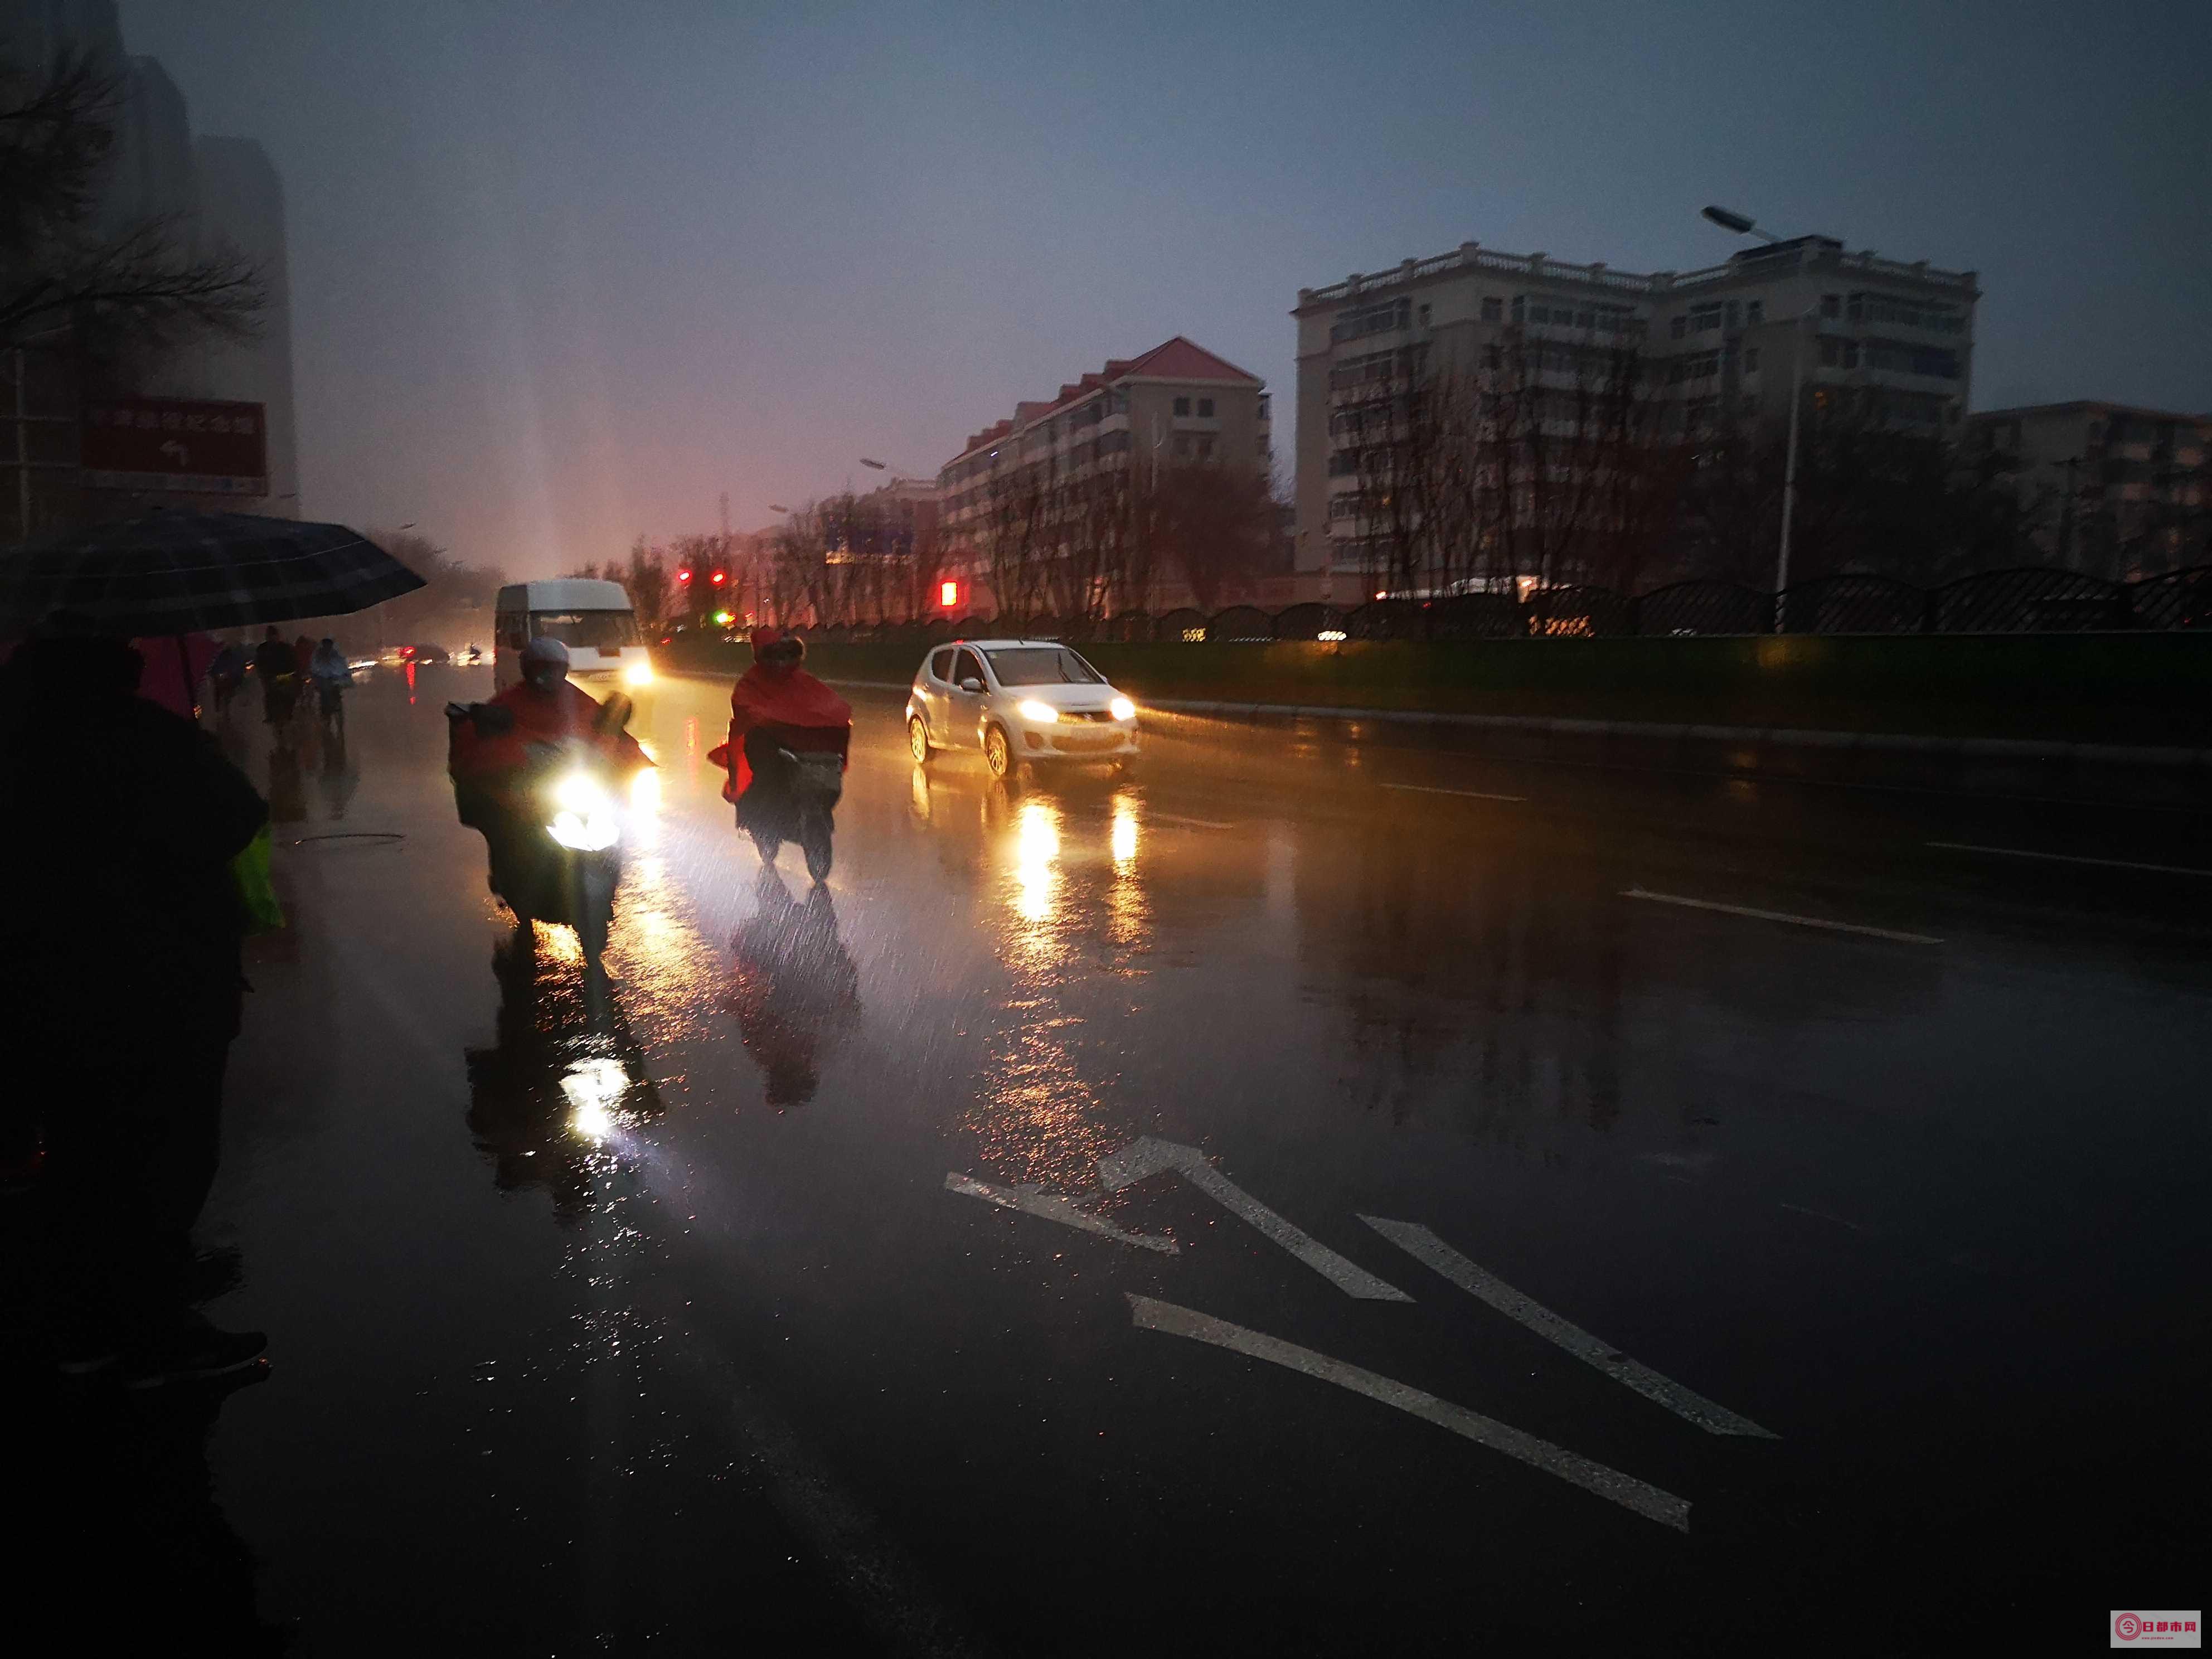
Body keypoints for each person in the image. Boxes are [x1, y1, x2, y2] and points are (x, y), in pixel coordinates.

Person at [0, 618, 270, 1385]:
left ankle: (80, 1325)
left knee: (82, 1157)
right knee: (163, 1161)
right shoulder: (139, 734)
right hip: (153, 985)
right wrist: (194, 742)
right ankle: (153, 1338)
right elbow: (235, 817)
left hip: (36, 986)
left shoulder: (15, 731)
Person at [448, 636, 648, 923]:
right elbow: (481, 744)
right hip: (528, 792)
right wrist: (485, 724)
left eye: (556, 671)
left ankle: (605, 882)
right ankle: (514, 883)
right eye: (543, 670)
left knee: (612, 827)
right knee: (510, 831)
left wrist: (615, 733)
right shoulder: (510, 702)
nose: (550, 677)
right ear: (528, 671)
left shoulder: (578, 700)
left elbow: (604, 730)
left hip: (574, 784)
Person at [711, 627, 851, 864]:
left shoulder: (800, 683)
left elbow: (832, 709)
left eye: (786, 656)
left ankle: (785, 826)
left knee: (780, 782)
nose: (781, 663)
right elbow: (745, 717)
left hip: (804, 753)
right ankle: (771, 829)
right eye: (776, 656)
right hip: (774, 750)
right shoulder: (753, 684)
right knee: (762, 780)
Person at [252, 626, 297, 729]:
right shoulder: (262, 649)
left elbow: (294, 664)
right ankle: (270, 715)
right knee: (269, 695)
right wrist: (263, 676)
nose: (272, 639)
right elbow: (259, 664)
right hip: (269, 677)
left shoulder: (286, 648)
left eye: (274, 636)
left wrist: (292, 674)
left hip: (285, 676)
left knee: (291, 694)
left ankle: (290, 713)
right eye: (270, 636)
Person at [308, 636, 352, 727]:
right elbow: (314, 669)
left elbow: (343, 667)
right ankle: (326, 717)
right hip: (324, 683)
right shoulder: (318, 656)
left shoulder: (335, 655)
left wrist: (345, 676)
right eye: (326, 646)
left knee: (335, 693)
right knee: (324, 697)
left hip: (334, 682)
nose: (328, 648)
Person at [208, 639, 247, 714]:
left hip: (228, 678)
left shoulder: (231, 655)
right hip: (222, 679)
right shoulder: (218, 656)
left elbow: (236, 666)